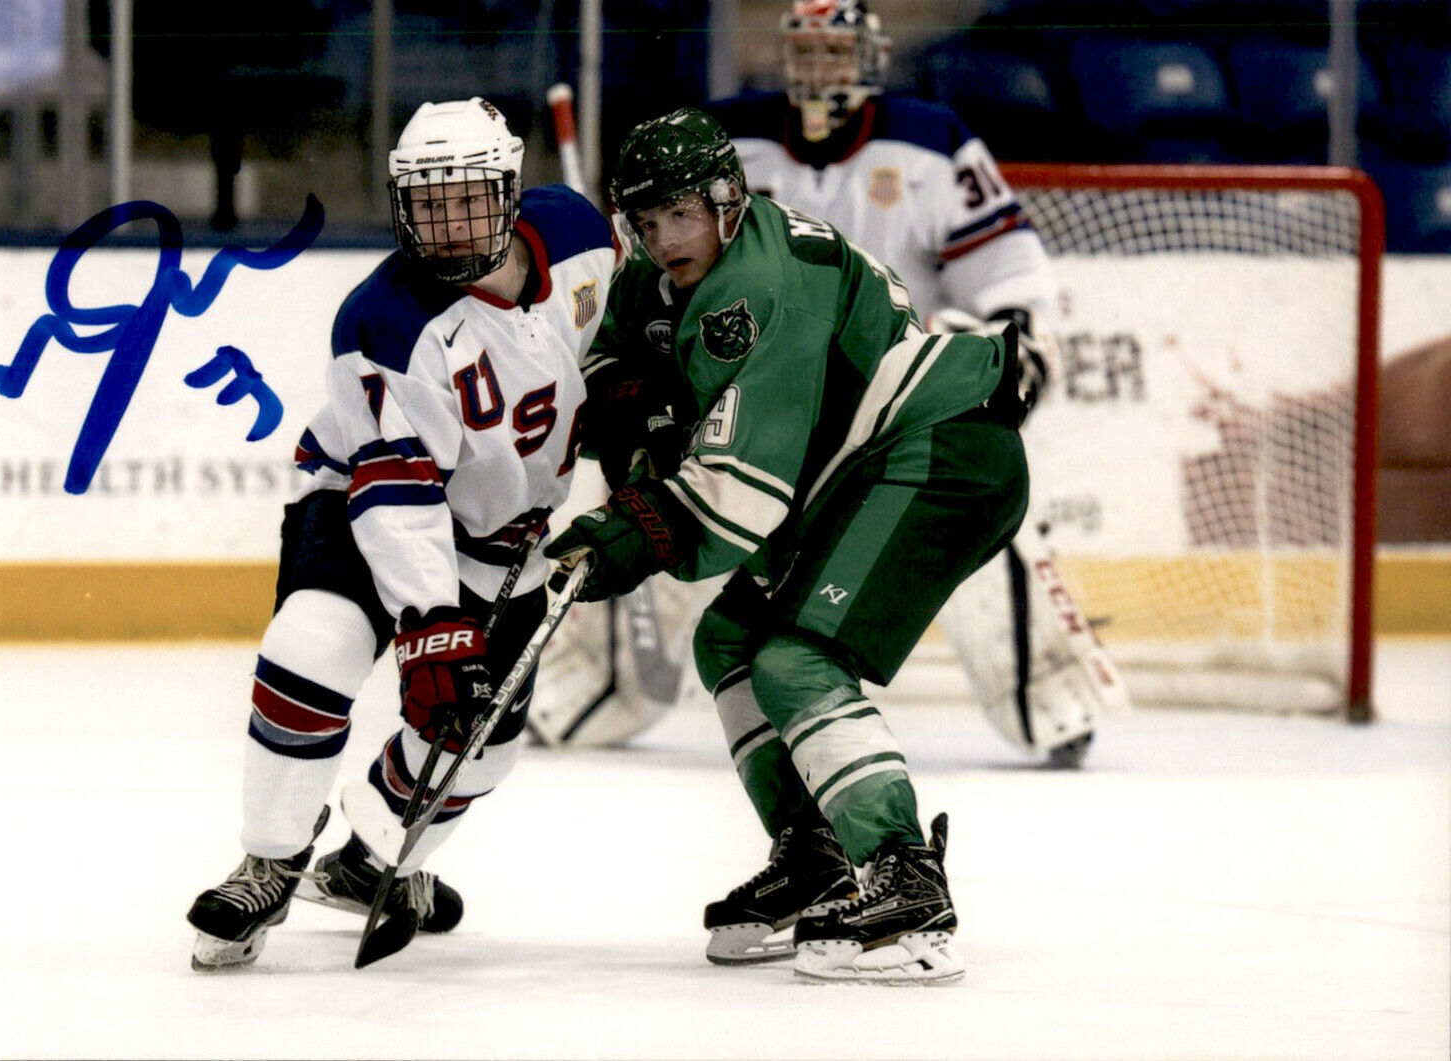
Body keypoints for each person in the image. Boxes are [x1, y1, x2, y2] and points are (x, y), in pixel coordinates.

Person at [545, 107, 1028, 984]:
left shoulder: (758, 286)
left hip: (941, 449)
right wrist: (635, 412)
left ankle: (905, 876)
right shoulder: (658, 280)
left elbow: (740, 501)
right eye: (645, 224)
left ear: (729, 204)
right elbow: (606, 369)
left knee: (796, 660)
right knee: (727, 640)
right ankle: (814, 854)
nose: (662, 241)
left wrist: (632, 530)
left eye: (680, 216)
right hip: (863, 467)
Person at [186, 97, 616, 970]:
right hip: (362, 504)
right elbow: (396, 485)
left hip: (509, 542)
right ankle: (269, 858)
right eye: (427, 203)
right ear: (399, 205)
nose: (449, 225)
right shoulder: (382, 317)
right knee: (316, 642)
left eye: (467, 199)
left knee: (484, 739)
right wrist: (427, 624)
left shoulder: (580, 235)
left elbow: (633, 338)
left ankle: (372, 859)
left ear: (510, 190)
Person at [701, 0, 1124, 768]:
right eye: (808, 51)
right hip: (760, 408)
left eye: (839, 52)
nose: (822, 70)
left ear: (874, 56)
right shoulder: (730, 140)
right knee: (644, 499)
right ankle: (591, 689)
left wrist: (1009, 350)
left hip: (892, 410)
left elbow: (1014, 279)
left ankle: (1051, 700)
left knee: (979, 511)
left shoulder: (932, 144)